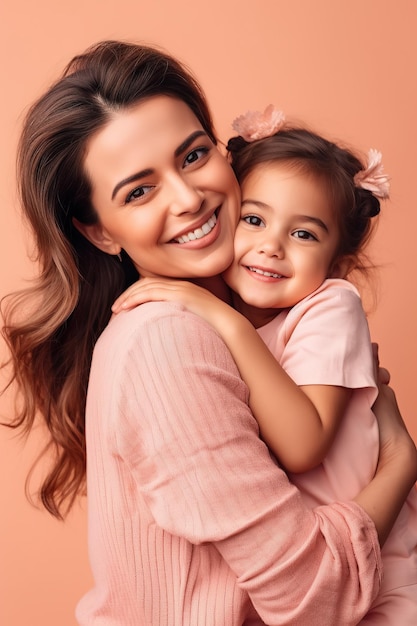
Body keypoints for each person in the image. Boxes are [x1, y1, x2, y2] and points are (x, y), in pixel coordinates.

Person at [1, 40, 416, 626]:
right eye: (139, 191)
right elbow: (312, 597)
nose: (189, 197)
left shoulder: (257, 315)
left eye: (194, 156)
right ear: (99, 232)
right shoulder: (168, 340)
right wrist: (400, 461)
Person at [114, 108, 417, 623]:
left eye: (304, 235)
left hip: (383, 580)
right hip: (324, 573)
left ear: (336, 265)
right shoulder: (224, 327)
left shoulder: (331, 306)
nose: (271, 247)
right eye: (254, 220)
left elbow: (302, 445)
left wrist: (218, 317)